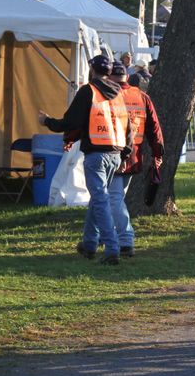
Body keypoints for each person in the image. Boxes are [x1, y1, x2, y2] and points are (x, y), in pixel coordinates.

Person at [38, 55, 130, 265]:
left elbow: (71, 121)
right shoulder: (118, 94)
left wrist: (47, 121)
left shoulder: (89, 91)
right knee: (98, 199)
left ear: (92, 70)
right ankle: (89, 244)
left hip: (96, 155)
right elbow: (127, 127)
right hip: (115, 154)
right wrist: (125, 155)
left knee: (100, 200)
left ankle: (112, 248)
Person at [107, 62, 164, 257]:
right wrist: (158, 154)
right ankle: (105, 235)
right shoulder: (141, 96)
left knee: (113, 198)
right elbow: (154, 129)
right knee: (116, 198)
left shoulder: (108, 95)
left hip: (114, 154)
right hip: (135, 156)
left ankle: (125, 239)